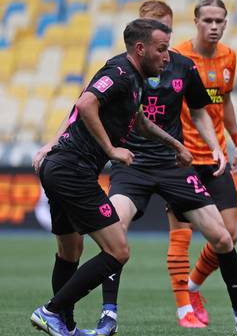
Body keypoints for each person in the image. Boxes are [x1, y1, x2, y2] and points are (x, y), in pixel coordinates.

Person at [72, 0, 237, 336]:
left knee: (222, 237)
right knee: (114, 235)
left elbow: (201, 111)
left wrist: (218, 147)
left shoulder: (183, 67)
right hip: (132, 166)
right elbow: (84, 107)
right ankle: (108, 316)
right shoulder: (120, 69)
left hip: (173, 165)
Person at [29, 18, 187, 336]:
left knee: (69, 252)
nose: (167, 57)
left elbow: (139, 122)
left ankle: (65, 326)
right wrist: (112, 150)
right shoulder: (120, 72)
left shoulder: (137, 80)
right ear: (140, 49)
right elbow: (85, 104)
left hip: (61, 168)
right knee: (118, 251)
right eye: (162, 49)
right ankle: (51, 311)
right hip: (73, 169)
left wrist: (174, 144)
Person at [168, 0, 237, 329]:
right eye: (207, 21)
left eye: (220, 21)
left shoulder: (229, 56)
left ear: (226, 23)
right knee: (181, 234)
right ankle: (183, 307)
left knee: (230, 235)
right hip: (181, 158)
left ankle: (194, 286)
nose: (214, 27)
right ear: (196, 22)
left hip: (215, 157)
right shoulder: (178, 57)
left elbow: (224, 100)